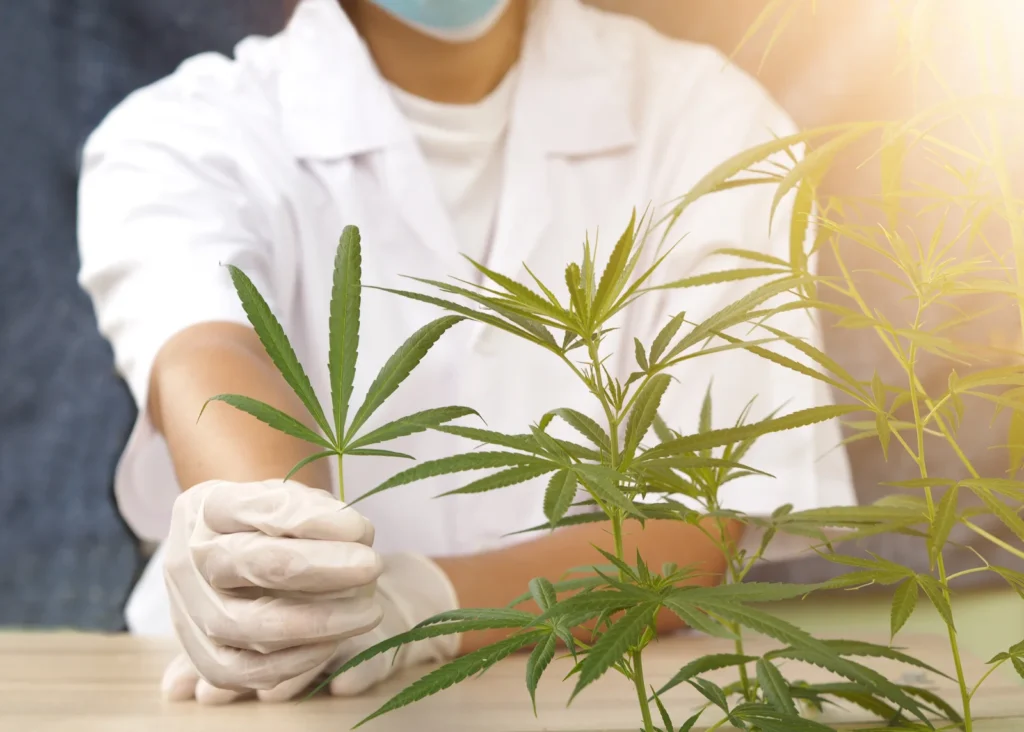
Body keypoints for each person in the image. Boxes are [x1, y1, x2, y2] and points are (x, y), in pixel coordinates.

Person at [77, 0, 854, 706]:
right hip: (263, 703)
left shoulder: (709, 120)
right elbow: (207, 352)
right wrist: (271, 573)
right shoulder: (184, 131)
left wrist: (417, 604)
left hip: (601, 694)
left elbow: (692, 533)